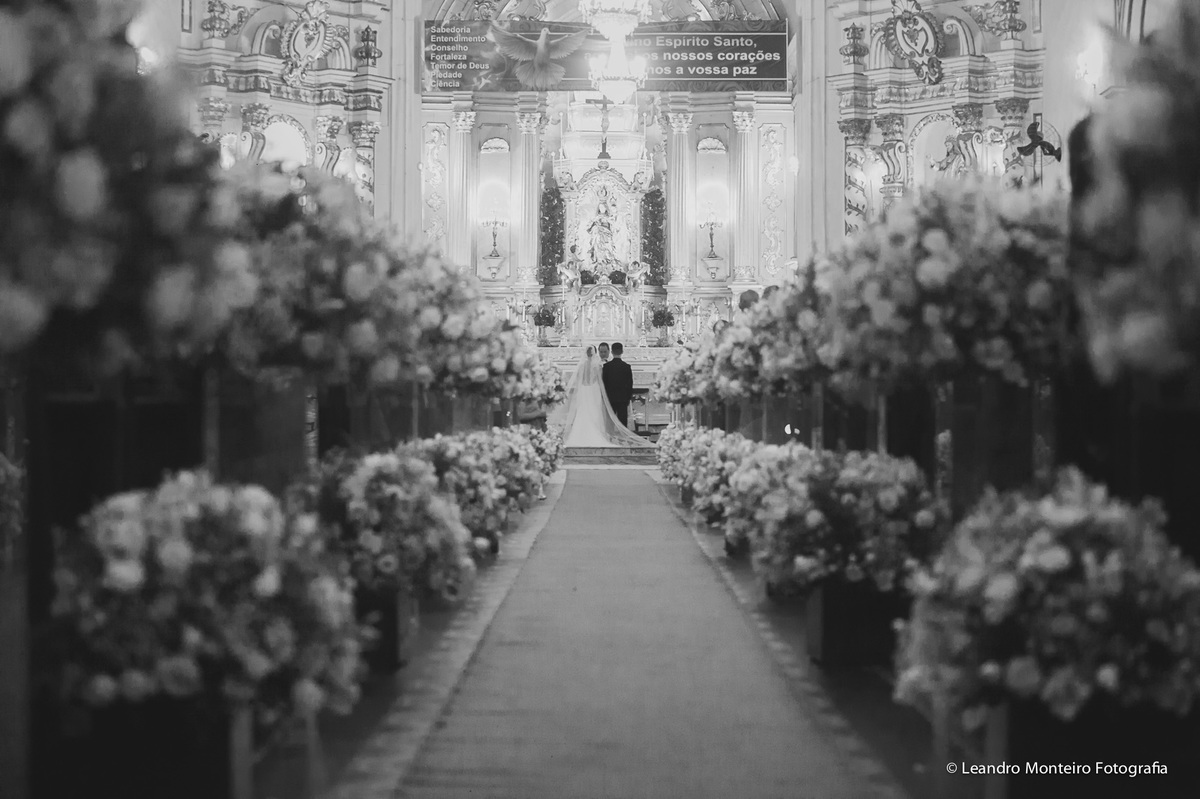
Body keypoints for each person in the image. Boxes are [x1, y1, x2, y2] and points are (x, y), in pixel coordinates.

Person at [549, 346, 651, 448]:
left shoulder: (581, 366)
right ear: (595, 353)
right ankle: (598, 435)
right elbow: (601, 383)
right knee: (595, 413)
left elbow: (578, 382)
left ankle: (579, 436)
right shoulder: (597, 366)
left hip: (584, 392)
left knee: (582, 413)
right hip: (594, 392)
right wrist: (604, 395)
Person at [602, 342, 634, 429]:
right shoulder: (626, 367)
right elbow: (629, 384)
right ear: (622, 352)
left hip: (610, 398)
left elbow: (604, 383)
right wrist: (628, 398)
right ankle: (622, 440)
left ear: (611, 352)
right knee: (623, 422)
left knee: (610, 422)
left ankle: (610, 439)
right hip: (623, 398)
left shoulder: (606, 367)